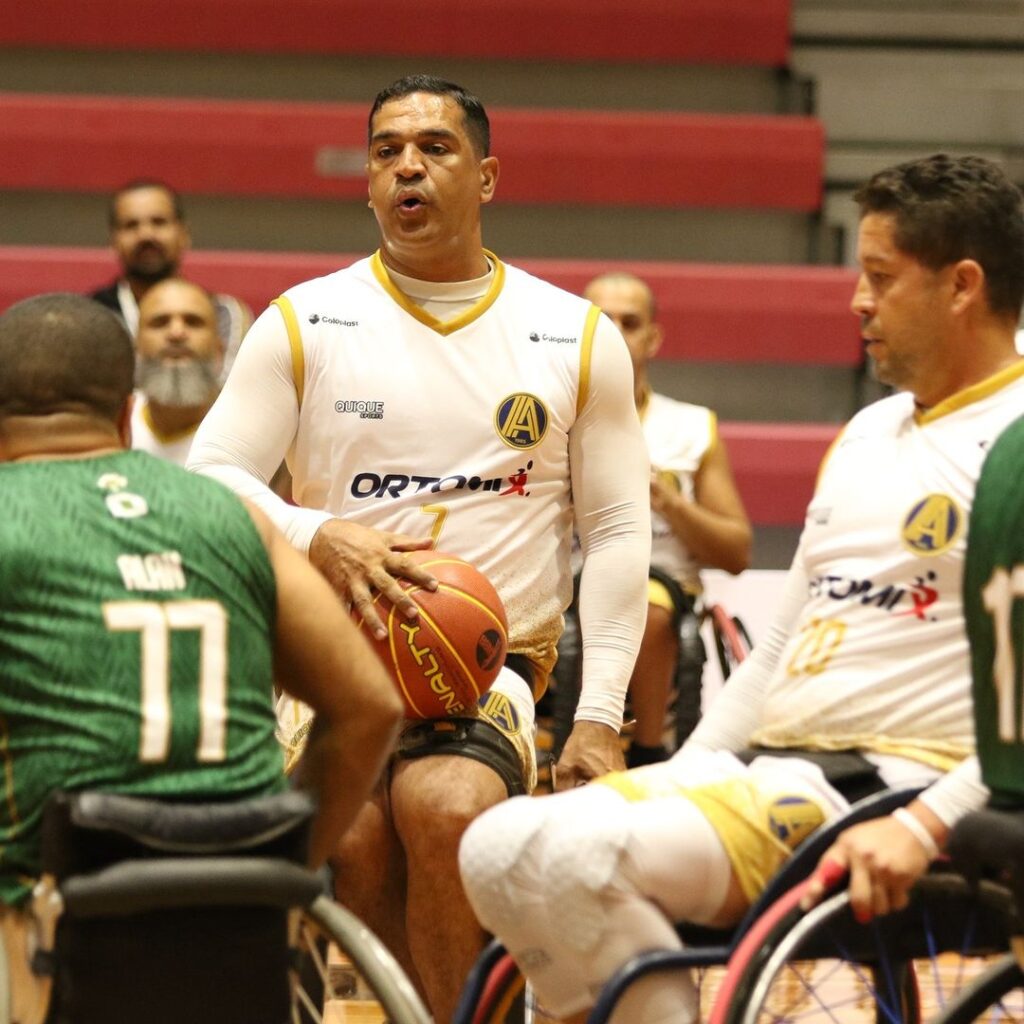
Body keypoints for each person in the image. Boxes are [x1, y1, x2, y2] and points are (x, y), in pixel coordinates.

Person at [459, 152, 1024, 1024]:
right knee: (497, 847)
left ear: (962, 286)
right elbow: (774, 650)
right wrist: (684, 775)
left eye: (880, 277)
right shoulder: (869, 431)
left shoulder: (1014, 448)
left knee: (577, 861)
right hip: (772, 769)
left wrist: (925, 825)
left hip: (892, 783)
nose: (857, 303)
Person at [186, 75, 650, 1020]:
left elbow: (614, 528)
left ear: (485, 177)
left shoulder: (573, 333)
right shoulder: (304, 321)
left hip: (490, 659)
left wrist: (599, 716)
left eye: (435, 148)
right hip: (340, 652)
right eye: (387, 149)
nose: (408, 164)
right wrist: (322, 534)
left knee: (443, 809)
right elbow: (210, 476)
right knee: (350, 844)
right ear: (366, 183)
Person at [0, 293, 404, 1024]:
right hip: (241, 909)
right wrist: (283, 866)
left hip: (46, 920)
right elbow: (370, 704)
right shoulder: (232, 514)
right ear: (127, 414)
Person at [583, 272, 751, 765]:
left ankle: (647, 754)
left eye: (629, 323)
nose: (614, 333)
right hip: (564, 583)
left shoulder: (692, 427)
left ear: (652, 338)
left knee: (649, 604)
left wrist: (667, 500)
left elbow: (736, 552)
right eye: (601, 321)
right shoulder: (542, 419)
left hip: (663, 586)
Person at [89, 180, 252, 379]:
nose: (146, 234)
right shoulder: (91, 318)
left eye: (159, 222)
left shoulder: (224, 313)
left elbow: (229, 393)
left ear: (184, 234)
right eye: (131, 225)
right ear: (113, 241)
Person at [132, 277, 224, 466]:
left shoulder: (251, 432)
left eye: (193, 322)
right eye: (160, 322)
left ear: (218, 350)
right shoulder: (109, 428)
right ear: (136, 348)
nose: (176, 332)